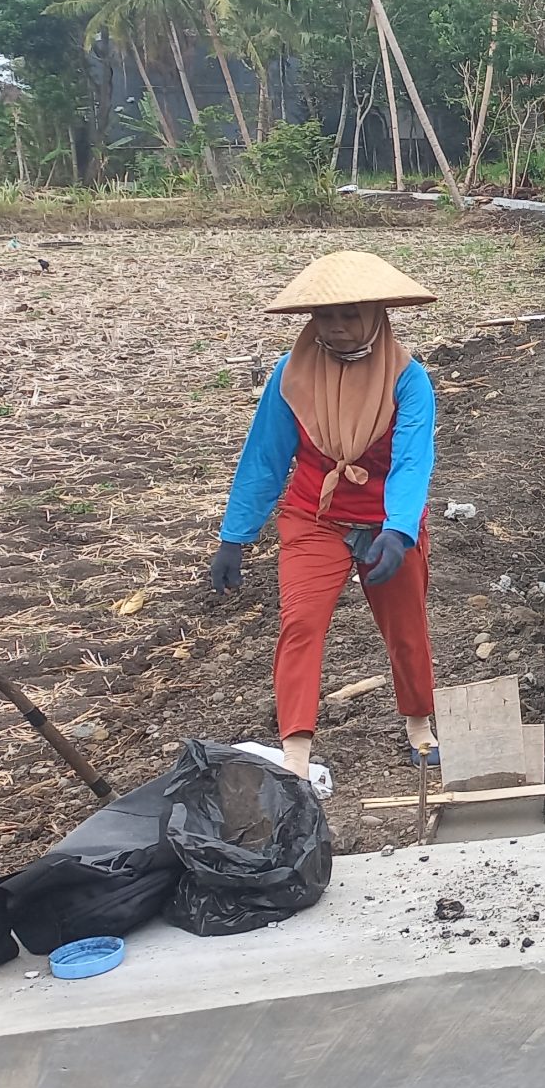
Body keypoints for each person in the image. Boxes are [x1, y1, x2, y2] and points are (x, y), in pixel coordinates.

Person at [209, 251, 442, 779]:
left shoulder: (408, 381)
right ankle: (295, 753)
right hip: (315, 517)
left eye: (350, 315)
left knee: (405, 627)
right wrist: (235, 536)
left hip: (387, 522)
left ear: (377, 315)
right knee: (301, 624)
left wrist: (400, 530)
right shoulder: (291, 377)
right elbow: (265, 457)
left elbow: (411, 463)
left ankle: (419, 723)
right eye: (325, 317)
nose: (337, 328)